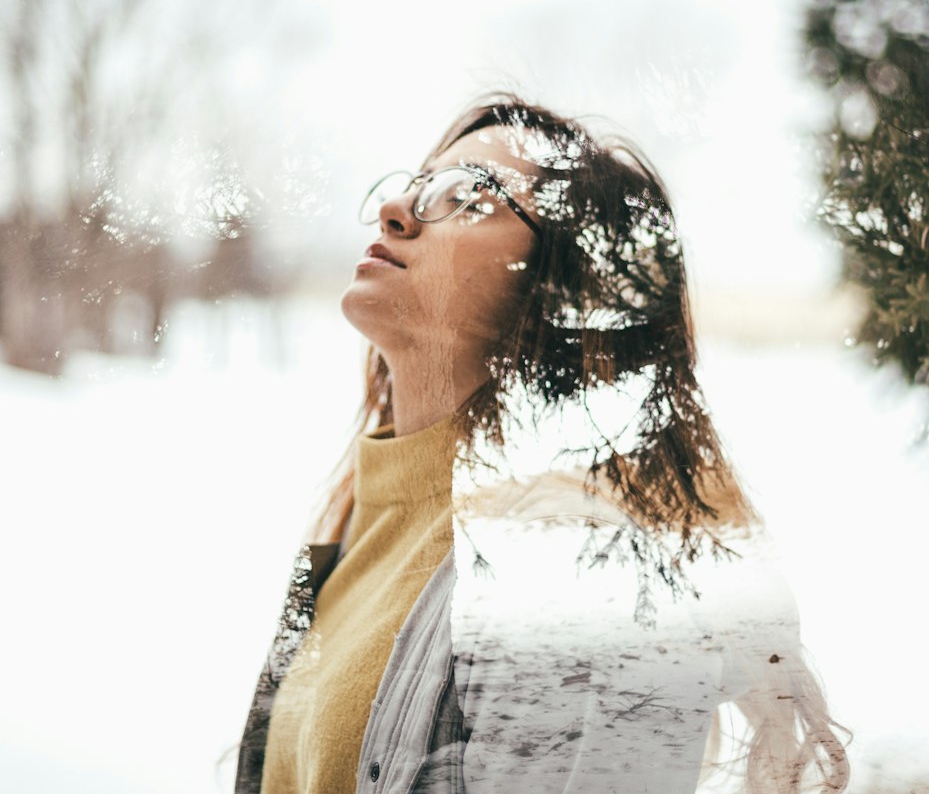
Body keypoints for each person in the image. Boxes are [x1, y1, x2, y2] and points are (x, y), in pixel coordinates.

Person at [235, 95, 850, 794]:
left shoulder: (586, 587)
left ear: (563, 298)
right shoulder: (355, 523)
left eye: (468, 198)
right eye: (418, 182)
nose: (398, 209)